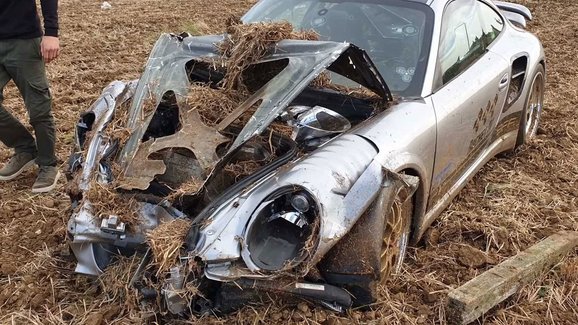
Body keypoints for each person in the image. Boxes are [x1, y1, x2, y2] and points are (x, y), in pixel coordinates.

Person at [0, 0, 61, 193]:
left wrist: (51, 32)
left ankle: (48, 164)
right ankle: (25, 147)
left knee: (38, 109)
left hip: (25, 41)